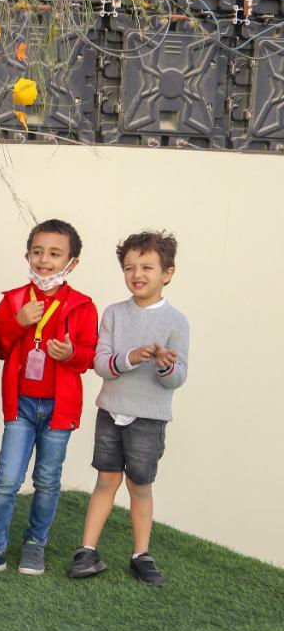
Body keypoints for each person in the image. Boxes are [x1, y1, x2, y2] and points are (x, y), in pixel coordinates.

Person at [0, 219, 99, 577]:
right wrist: (19, 321)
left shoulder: (82, 306)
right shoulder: (14, 300)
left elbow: (90, 357)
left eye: (55, 254)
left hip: (58, 407)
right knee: (7, 478)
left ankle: (35, 543)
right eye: (37, 252)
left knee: (48, 479)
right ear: (27, 255)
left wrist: (69, 355)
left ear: (72, 262)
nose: (44, 260)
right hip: (20, 404)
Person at [70, 230, 188, 587]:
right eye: (129, 267)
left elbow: (178, 377)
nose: (137, 274)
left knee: (140, 484)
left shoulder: (177, 321)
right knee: (106, 479)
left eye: (147, 267)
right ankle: (87, 551)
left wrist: (165, 365)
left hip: (149, 418)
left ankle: (141, 555)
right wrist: (132, 357)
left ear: (167, 273)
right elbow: (102, 363)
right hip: (110, 411)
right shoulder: (114, 314)